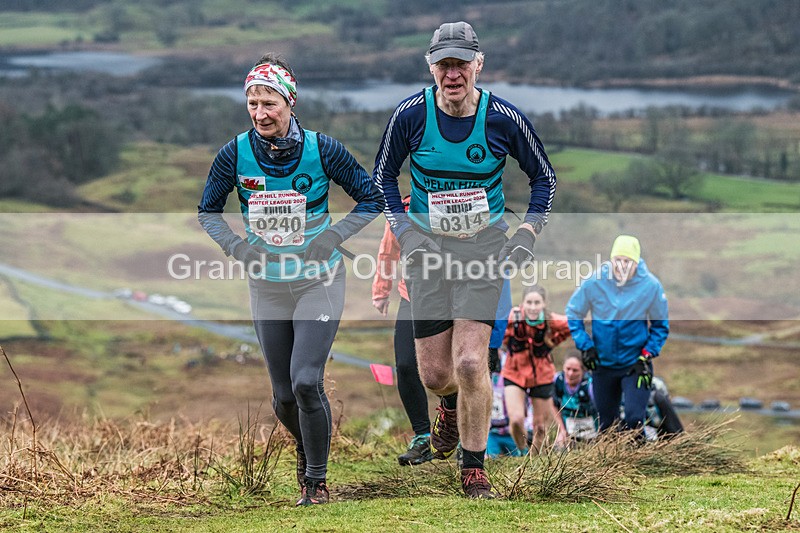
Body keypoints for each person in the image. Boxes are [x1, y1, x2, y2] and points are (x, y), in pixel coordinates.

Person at [373, 20, 557, 498]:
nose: (452, 74)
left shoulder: (503, 119)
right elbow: (383, 177)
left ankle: (474, 470)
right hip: (428, 253)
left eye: (461, 63)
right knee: (436, 374)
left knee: (473, 362)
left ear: (479, 64)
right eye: (443, 64)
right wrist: (406, 231)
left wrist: (526, 232)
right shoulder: (411, 115)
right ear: (431, 67)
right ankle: (449, 409)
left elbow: (545, 180)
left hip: (483, 249)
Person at [198, 54, 383, 506]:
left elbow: (371, 198)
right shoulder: (235, 153)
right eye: (252, 103)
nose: (260, 113)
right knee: (283, 396)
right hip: (267, 284)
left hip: (318, 279)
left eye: (270, 103)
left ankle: (316, 482)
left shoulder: (323, 149)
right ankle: (306, 450)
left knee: (305, 382)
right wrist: (239, 248)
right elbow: (208, 212)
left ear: (290, 102)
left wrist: (334, 236)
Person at [565, 235, 669, 437]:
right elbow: (573, 313)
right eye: (618, 260)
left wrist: (647, 354)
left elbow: (660, 326)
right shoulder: (594, 282)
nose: (622, 266)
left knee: (634, 419)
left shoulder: (651, 286)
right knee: (607, 424)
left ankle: (639, 462)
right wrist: (586, 346)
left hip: (635, 364)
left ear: (636, 263)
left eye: (627, 261)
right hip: (602, 364)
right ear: (611, 260)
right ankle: (613, 467)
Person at [372, 196, 433, 466]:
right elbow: (388, 250)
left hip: (454, 295)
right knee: (406, 366)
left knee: (454, 369)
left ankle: (461, 439)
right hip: (411, 296)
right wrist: (381, 290)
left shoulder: (457, 195)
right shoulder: (403, 206)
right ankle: (423, 437)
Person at [501, 285, 571, 454]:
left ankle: (533, 460)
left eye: (537, 303)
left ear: (544, 304)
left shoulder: (552, 321)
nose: (533, 307)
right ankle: (522, 451)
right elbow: (495, 330)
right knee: (516, 420)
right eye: (529, 302)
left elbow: (573, 325)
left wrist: (554, 341)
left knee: (540, 427)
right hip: (514, 372)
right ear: (522, 303)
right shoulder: (512, 318)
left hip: (542, 375)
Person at [552, 354, 598, 447]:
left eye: (575, 370)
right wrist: (562, 430)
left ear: (583, 371)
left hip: (591, 429)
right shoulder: (558, 380)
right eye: (568, 369)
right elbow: (553, 405)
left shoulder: (590, 384)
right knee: (559, 446)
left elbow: (601, 409)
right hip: (568, 428)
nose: (570, 373)